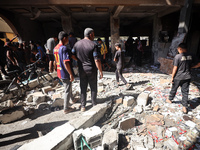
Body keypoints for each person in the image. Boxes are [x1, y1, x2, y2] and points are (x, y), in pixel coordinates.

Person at [72, 28, 103, 112]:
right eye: (93, 34)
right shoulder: (93, 45)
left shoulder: (77, 44)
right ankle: (94, 103)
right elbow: (96, 59)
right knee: (93, 86)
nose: (94, 36)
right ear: (90, 35)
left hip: (82, 69)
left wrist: (78, 60)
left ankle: (83, 106)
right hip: (91, 69)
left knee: (83, 87)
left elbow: (72, 54)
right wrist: (100, 71)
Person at [166, 43, 196, 114]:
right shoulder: (191, 55)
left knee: (174, 88)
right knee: (185, 92)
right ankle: (185, 107)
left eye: (178, 49)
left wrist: (172, 77)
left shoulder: (178, 57)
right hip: (187, 76)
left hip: (178, 77)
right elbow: (198, 64)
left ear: (180, 49)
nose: (178, 51)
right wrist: (191, 67)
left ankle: (170, 99)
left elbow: (175, 68)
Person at [54, 31, 76, 114]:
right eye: (67, 39)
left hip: (60, 71)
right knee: (67, 89)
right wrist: (71, 74)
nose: (68, 40)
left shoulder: (56, 48)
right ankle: (66, 108)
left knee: (68, 87)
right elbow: (66, 62)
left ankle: (72, 99)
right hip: (65, 72)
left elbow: (55, 61)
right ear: (64, 38)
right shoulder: (64, 48)